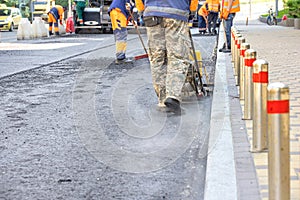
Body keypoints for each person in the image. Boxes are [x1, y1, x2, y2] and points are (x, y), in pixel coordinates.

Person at [135, 0, 198, 114]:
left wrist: (141, 11)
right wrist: (192, 12)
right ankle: (172, 96)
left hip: (152, 14)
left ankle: (162, 100)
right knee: (177, 56)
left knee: (157, 58)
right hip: (176, 12)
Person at [108, 0, 134, 64]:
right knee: (121, 34)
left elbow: (128, 8)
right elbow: (128, 7)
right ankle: (120, 56)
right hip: (118, 12)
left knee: (121, 33)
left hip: (118, 12)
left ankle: (120, 55)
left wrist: (131, 19)